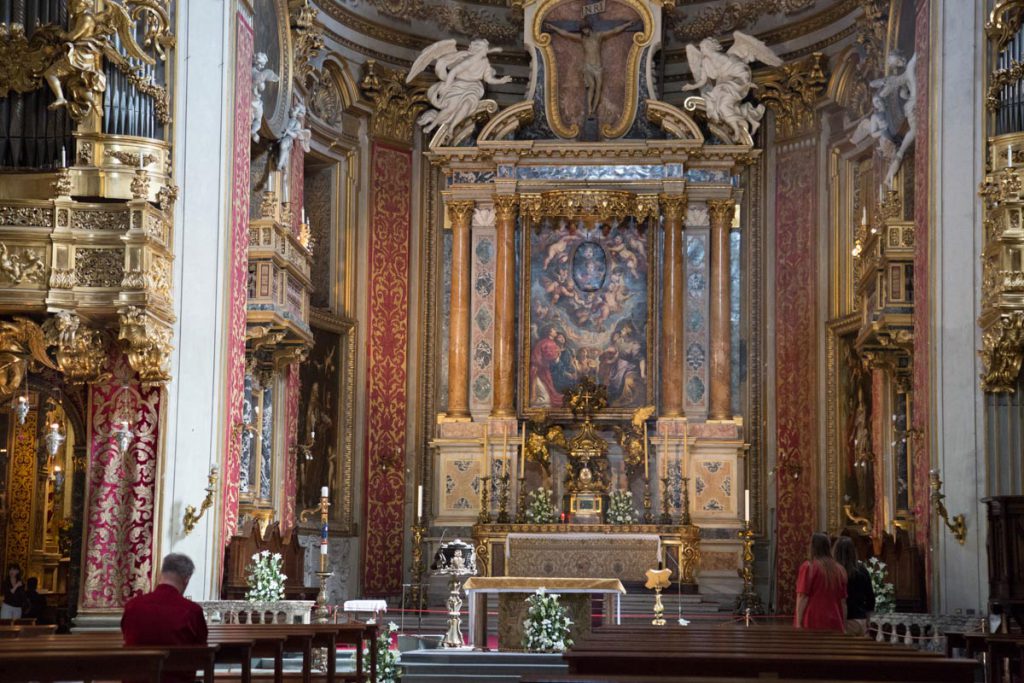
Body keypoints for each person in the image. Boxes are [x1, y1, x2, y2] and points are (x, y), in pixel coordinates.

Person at [122, 553, 208, 682]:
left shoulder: (132, 606)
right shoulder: (192, 611)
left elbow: (126, 635)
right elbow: (201, 650)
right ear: (187, 579)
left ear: (161, 574)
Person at [794, 532, 847, 632]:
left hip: (812, 619)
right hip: (835, 619)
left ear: (812, 547)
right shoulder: (840, 569)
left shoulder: (809, 567)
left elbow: (802, 597)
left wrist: (798, 623)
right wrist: (843, 625)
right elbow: (843, 601)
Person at [833, 536, 875, 635]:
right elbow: (870, 598)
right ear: (853, 551)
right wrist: (868, 619)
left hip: (840, 619)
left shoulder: (835, 572)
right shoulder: (861, 569)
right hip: (859, 619)